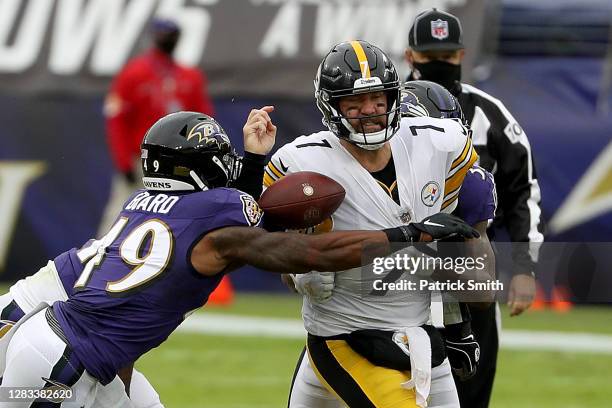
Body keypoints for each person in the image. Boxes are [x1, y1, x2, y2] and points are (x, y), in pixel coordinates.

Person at [0, 110, 477, 408]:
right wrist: (405, 233)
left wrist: (253, 161)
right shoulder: (214, 216)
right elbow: (305, 251)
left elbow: (241, 226)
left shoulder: (141, 206)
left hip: (62, 346)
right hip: (62, 368)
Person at [264, 40, 480, 408]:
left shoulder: (438, 144)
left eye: (378, 100)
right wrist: (305, 266)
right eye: (354, 102)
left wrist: (459, 324)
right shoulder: (302, 164)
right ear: (331, 107)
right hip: (345, 335)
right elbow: (273, 253)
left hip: (419, 333)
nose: (369, 111)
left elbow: (446, 250)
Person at [405, 8, 545, 407]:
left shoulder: (490, 114)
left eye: (446, 56)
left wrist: (524, 266)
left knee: (472, 388)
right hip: (399, 263)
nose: (438, 63)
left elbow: (522, 193)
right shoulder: (383, 109)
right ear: (410, 54)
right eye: (430, 54)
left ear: (462, 55)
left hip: (469, 263)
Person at [100, 17, 215, 235]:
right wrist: (123, 162)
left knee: (179, 218)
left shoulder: (190, 77)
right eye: (163, 34)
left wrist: (200, 160)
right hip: (141, 161)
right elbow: (116, 120)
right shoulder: (134, 73)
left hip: (180, 163)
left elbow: (204, 122)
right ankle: (101, 261)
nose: (168, 39)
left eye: (172, 34)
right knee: (120, 215)